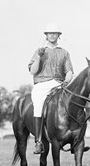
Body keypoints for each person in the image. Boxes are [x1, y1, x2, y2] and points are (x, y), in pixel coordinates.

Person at [28, 23, 74, 154]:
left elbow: (69, 71)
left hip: (59, 84)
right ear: (46, 36)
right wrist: (38, 57)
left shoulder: (64, 52)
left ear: (59, 36)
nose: (52, 35)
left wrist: (66, 81)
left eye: (55, 33)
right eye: (50, 33)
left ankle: (76, 139)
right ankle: (38, 141)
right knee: (38, 106)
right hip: (42, 85)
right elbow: (32, 71)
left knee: (74, 103)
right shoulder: (39, 51)